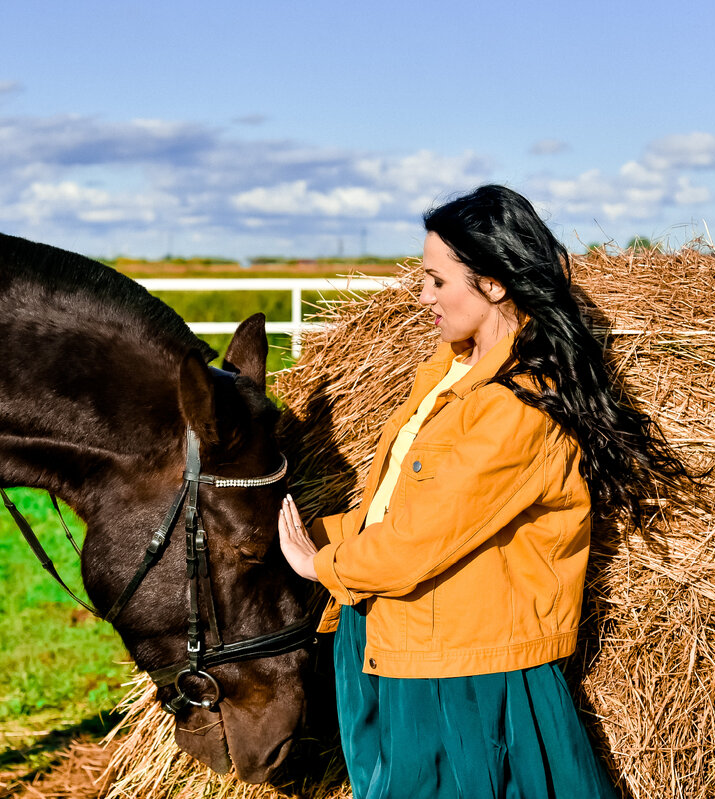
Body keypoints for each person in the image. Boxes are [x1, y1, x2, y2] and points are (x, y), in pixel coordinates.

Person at [278, 185, 691, 799]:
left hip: (463, 668)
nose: (424, 296)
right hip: (396, 637)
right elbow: (396, 506)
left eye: (437, 281)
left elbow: (421, 538)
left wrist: (321, 563)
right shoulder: (448, 377)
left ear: (494, 283)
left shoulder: (518, 407)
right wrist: (297, 531)